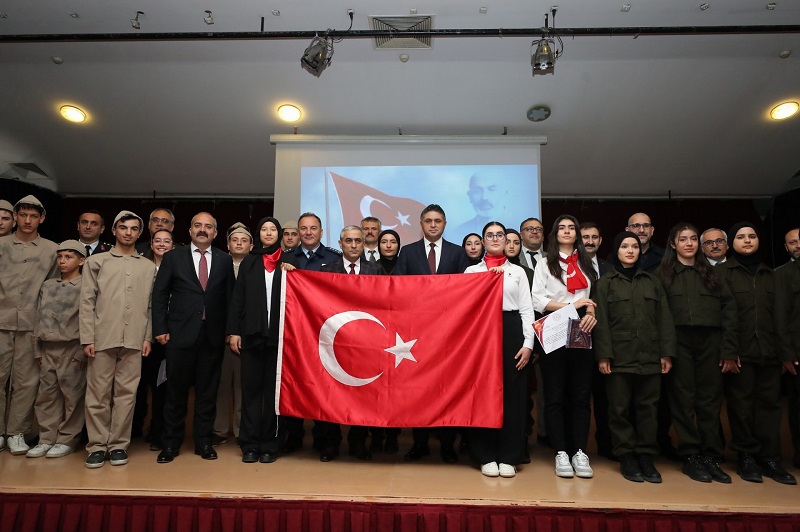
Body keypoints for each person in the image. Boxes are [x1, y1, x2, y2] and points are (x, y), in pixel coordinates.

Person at [152, 212, 234, 464]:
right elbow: (160, 295)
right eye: (198, 225)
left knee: (207, 394)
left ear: (215, 233)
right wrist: (159, 328)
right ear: (189, 231)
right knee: (175, 394)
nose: (202, 230)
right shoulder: (173, 257)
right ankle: (170, 444)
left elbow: (230, 298)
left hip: (212, 337)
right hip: (179, 336)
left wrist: (229, 331)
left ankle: (204, 442)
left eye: (208, 226)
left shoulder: (223, 260)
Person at [657, 223, 736, 483]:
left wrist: (728, 349)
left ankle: (712, 456)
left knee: (710, 400)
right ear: (673, 244)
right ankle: (691, 455)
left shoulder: (713, 274)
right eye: (683, 239)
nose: (689, 243)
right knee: (682, 400)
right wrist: (666, 351)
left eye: (693, 239)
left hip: (710, 342)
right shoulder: (663, 274)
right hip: (679, 342)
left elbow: (729, 312)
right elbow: (659, 316)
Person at [718, 222, 796, 485]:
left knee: (770, 407)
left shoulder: (771, 274)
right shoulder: (724, 274)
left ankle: (771, 457)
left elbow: (781, 317)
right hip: (740, 353)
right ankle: (746, 456)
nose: (748, 240)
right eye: (741, 237)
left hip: (770, 353)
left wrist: (786, 354)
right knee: (741, 406)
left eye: (752, 236)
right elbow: (724, 316)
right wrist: (729, 351)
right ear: (731, 244)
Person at [594, 231, 675, 483]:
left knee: (648, 409)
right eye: (624, 246)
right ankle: (626, 455)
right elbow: (601, 323)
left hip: (650, 356)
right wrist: (603, 355)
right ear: (616, 251)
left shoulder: (652, 282)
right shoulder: (604, 283)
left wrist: (666, 353)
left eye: (635, 246)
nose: (630, 250)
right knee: (619, 409)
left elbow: (665, 319)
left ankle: (646, 456)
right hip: (619, 357)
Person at [394, 204, 470, 464]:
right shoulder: (408, 252)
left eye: (438, 220)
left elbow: (466, 291)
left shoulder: (458, 253)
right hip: (416, 333)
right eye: (428, 220)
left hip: (450, 333)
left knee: (446, 388)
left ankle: (448, 445)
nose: (433, 225)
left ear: (445, 223)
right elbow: (397, 289)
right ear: (421, 223)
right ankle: (420, 443)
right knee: (419, 389)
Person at [80, 211, 156, 468]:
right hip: (102, 337)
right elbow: (87, 302)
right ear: (113, 230)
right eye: (123, 227)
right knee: (98, 395)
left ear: (139, 233)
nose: (128, 232)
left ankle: (118, 445)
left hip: (134, 339)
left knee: (127, 395)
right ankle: (97, 446)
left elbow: (150, 306)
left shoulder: (147, 266)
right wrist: (87, 337)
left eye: (134, 229)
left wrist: (147, 336)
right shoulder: (97, 262)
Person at [530, 214, 598, 479]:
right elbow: (537, 300)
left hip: (582, 327)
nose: (568, 231)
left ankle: (580, 451)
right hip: (555, 326)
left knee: (581, 394)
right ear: (555, 234)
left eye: (572, 228)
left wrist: (590, 310)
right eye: (562, 228)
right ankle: (560, 451)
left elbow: (593, 298)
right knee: (555, 393)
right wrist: (574, 306)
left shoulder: (587, 262)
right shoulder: (545, 262)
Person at [465, 222, 534, 478]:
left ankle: (509, 455)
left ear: (507, 240)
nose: (495, 238)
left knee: (513, 394)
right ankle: (485, 454)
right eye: (490, 235)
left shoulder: (518, 273)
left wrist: (528, 344)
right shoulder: (471, 271)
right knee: (482, 392)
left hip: (511, 330)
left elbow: (527, 310)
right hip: (481, 334)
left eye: (500, 235)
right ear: (483, 241)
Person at [228, 217, 296, 464]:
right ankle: (250, 443)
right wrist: (234, 331)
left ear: (279, 234)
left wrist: (294, 273)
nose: (268, 233)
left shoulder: (290, 261)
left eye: (273, 229)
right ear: (259, 234)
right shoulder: (250, 261)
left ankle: (270, 444)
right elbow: (238, 298)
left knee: (274, 394)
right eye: (264, 229)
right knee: (251, 391)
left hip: (280, 339)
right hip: (251, 336)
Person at [318, 226, 384, 462]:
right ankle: (330, 444)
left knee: (361, 394)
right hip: (334, 342)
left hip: (365, 343)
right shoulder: (327, 270)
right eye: (349, 241)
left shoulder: (376, 270)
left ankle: (358, 443)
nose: (354, 245)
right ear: (340, 243)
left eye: (358, 241)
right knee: (331, 392)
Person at [0, 195, 58, 455]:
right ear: (15, 217)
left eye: (33, 216)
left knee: (26, 381)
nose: (27, 220)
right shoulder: (1, 245)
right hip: (1, 321)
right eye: (22, 215)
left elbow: (55, 290)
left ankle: (16, 432)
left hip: (31, 325)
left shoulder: (51, 250)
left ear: (42, 219)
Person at [281, 212, 341, 453]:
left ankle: (327, 442)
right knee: (293, 385)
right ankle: (292, 439)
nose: (308, 232)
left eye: (313, 228)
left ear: (321, 232)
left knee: (325, 388)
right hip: (293, 334)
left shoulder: (334, 259)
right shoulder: (284, 258)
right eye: (303, 228)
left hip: (325, 334)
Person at [26, 240, 87, 459]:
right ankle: (46, 438)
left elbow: (88, 320)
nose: (62, 261)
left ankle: (67, 439)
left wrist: (82, 351)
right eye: (60, 257)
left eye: (69, 257)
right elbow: (38, 317)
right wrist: (37, 348)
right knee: (46, 396)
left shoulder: (84, 286)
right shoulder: (48, 285)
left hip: (71, 347)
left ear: (82, 260)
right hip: (47, 347)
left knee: (73, 396)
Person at [132, 229, 175, 451]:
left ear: (173, 245)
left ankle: (159, 431)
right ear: (151, 244)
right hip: (142, 335)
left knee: (163, 388)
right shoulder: (142, 267)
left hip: (168, 336)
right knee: (140, 385)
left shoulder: (178, 266)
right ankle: (135, 428)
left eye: (167, 241)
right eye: (157, 241)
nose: (161, 245)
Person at [213, 223, 253, 448]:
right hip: (219, 336)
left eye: (243, 240)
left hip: (245, 337)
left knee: (241, 385)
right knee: (220, 384)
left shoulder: (256, 267)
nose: (239, 243)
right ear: (227, 245)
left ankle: (240, 430)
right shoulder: (218, 265)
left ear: (251, 245)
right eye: (234, 239)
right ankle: (219, 429)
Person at [580, 221, 613, 459]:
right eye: (585, 237)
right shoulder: (569, 266)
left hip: (606, 339)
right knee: (579, 396)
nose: (589, 241)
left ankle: (607, 445)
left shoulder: (610, 268)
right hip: (577, 337)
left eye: (594, 237)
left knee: (606, 397)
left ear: (600, 240)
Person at [775, 227, 800, 469]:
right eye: (792, 242)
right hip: (797, 353)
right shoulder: (781, 275)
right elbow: (780, 319)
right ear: (786, 248)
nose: (798, 245)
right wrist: (787, 354)